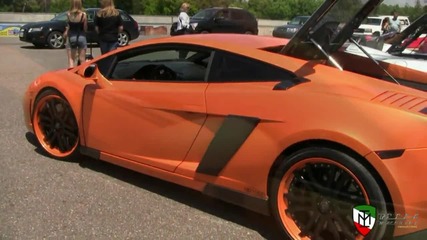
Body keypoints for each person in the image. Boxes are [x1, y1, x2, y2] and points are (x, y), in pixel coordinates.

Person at [63, 0, 87, 68]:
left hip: (71, 37)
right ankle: (82, 76)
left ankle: (71, 76)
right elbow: (85, 28)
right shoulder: (83, 15)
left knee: (71, 60)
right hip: (81, 37)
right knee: (82, 60)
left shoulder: (68, 14)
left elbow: (68, 27)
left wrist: (66, 33)